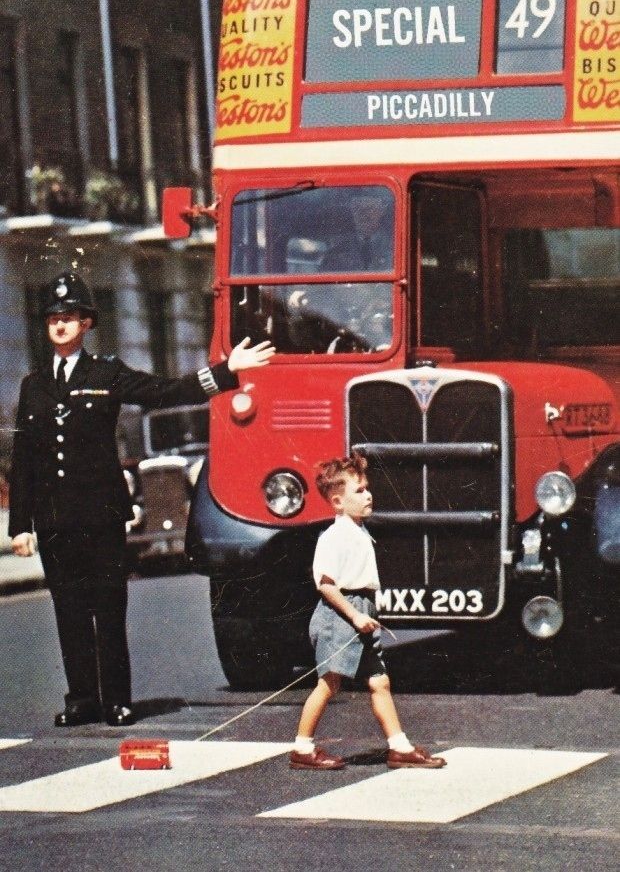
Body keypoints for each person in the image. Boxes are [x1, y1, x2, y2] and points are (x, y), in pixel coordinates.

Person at [9, 271, 275, 728]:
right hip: (56, 522)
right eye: (53, 318)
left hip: (101, 516)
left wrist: (227, 373)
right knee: (68, 612)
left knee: (107, 610)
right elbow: (26, 460)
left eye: (69, 317)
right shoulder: (33, 385)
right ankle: (81, 700)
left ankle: (116, 699)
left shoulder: (106, 373)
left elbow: (165, 392)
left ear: (86, 323)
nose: (60, 325)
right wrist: (20, 525)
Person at [289, 453, 446, 770]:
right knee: (329, 683)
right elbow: (326, 584)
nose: (368, 495)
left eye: (367, 488)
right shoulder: (334, 537)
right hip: (340, 615)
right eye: (359, 491)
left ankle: (399, 746)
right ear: (337, 501)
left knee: (379, 681)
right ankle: (302, 749)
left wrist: (367, 610)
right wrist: (356, 615)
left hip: (361, 609)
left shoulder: (358, 531)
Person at [320, 190, 394, 273]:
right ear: (351, 212)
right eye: (357, 208)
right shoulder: (337, 252)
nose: (363, 214)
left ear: (381, 211)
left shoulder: (394, 247)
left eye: (369, 209)